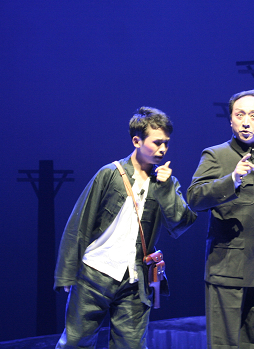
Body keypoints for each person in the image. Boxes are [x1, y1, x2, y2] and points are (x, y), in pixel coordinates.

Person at [54, 107, 197, 349]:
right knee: (76, 343)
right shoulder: (109, 174)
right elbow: (79, 224)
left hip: (134, 280)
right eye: (157, 142)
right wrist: (66, 272)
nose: (163, 149)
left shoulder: (166, 182)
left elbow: (180, 223)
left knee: (131, 346)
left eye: (166, 143)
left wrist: (165, 189)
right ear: (137, 141)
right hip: (94, 273)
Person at [187, 89, 254, 349]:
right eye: (240, 115)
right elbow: (194, 197)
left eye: (253, 116)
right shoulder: (215, 155)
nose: (246, 122)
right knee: (224, 344)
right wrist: (232, 180)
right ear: (231, 120)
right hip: (227, 269)